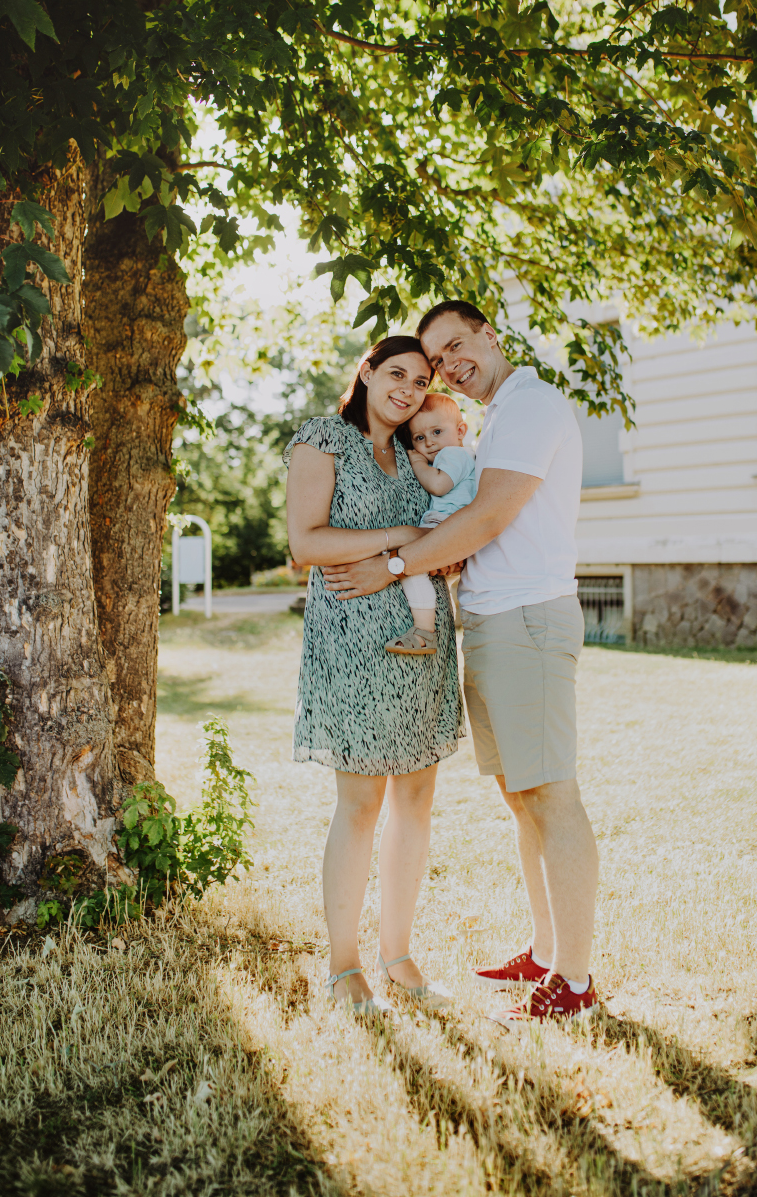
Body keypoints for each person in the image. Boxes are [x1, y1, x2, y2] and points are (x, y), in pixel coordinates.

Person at [322, 302, 600, 1025]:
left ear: (490, 335)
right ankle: (543, 955)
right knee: (521, 797)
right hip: (490, 621)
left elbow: (484, 519)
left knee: (551, 796)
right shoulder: (495, 416)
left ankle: (572, 983)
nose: (448, 364)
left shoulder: (532, 405)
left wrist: (392, 565)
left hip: (525, 621)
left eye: (455, 346)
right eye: (437, 358)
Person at [284, 335, 464, 1015]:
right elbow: (306, 543)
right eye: (396, 373)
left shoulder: (421, 452)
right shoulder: (325, 438)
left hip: (422, 645)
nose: (408, 390)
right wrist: (402, 539)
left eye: (419, 381)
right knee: (360, 806)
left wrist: (426, 547)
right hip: (354, 643)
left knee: (415, 802)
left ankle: (399, 954)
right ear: (365, 372)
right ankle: (343, 965)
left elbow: (448, 530)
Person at [387, 392, 476, 656]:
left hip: (444, 525)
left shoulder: (454, 455)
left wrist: (417, 462)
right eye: (420, 438)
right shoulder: (457, 456)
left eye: (437, 431)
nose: (430, 443)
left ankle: (424, 631)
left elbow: (438, 485)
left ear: (460, 431)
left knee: (409, 565)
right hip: (454, 527)